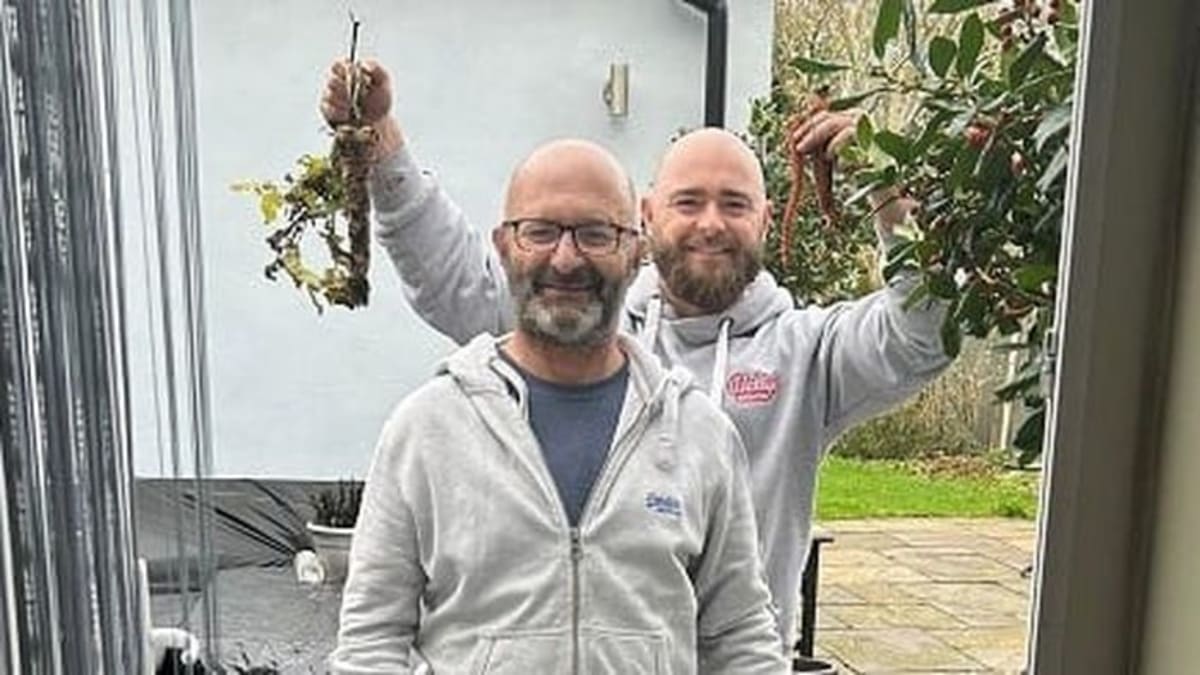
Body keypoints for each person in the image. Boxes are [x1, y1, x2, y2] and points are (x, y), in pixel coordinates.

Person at [321, 58, 952, 646]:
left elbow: (919, 336)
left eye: (734, 204)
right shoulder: (582, 316)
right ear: (647, 218)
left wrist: (887, 193)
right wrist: (381, 141)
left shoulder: (808, 355)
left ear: (764, 220)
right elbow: (455, 278)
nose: (711, 223)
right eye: (688, 201)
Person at [329, 138, 788, 673]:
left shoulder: (699, 434)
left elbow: (740, 638)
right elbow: (371, 642)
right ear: (505, 246)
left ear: (636, 252)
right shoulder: (428, 429)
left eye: (596, 234)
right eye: (540, 231)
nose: (566, 260)